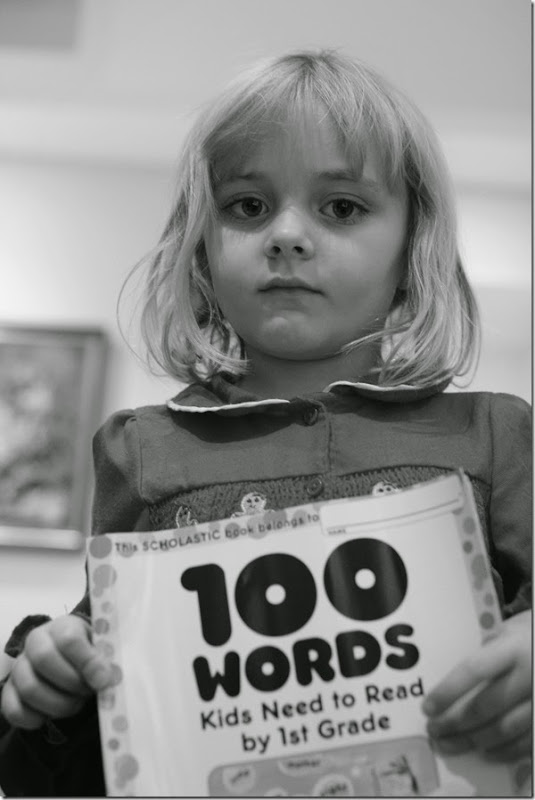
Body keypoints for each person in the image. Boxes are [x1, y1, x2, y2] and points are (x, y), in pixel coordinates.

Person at [0, 50, 531, 797]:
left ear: (413, 244)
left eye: (341, 207)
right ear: (200, 247)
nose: (286, 235)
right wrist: (51, 678)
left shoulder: (495, 435)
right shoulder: (142, 450)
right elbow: (100, 718)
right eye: (247, 206)